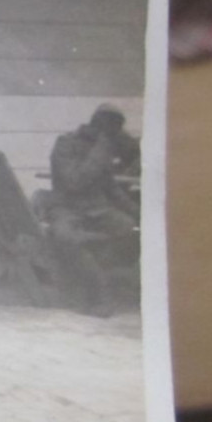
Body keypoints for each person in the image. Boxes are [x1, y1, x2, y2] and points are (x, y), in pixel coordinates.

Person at [38, 104, 142, 317]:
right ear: (100, 125)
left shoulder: (102, 147)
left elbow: (111, 188)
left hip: (98, 211)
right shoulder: (66, 144)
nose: (115, 135)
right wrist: (102, 148)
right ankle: (98, 294)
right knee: (65, 237)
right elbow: (74, 182)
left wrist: (139, 213)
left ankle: (93, 273)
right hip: (66, 208)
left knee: (128, 227)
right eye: (112, 129)